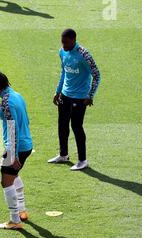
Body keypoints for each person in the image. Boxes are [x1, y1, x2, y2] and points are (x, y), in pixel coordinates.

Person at [0, 71, 33, 230]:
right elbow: (27, 119)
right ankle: (22, 211)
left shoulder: (6, 102)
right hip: (25, 144)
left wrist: (14, 154)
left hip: (16, 148)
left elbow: (13, 131)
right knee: (13, 176)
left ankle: (15, 220)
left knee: (6, 181)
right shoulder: (17, 95)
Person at [48, 28, 101, 170]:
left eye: (66, 43)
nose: (64, 46)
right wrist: (57, 91)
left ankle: (83, 160)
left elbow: (96, 74)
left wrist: (90, 95)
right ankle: (63, 155)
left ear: (73, 40)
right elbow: (63, 72)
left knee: (76, 126)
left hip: (80, 97)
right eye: (62, 42)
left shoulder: (84, 55)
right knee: (62, 124)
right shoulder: (62, 52)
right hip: (65, 95)